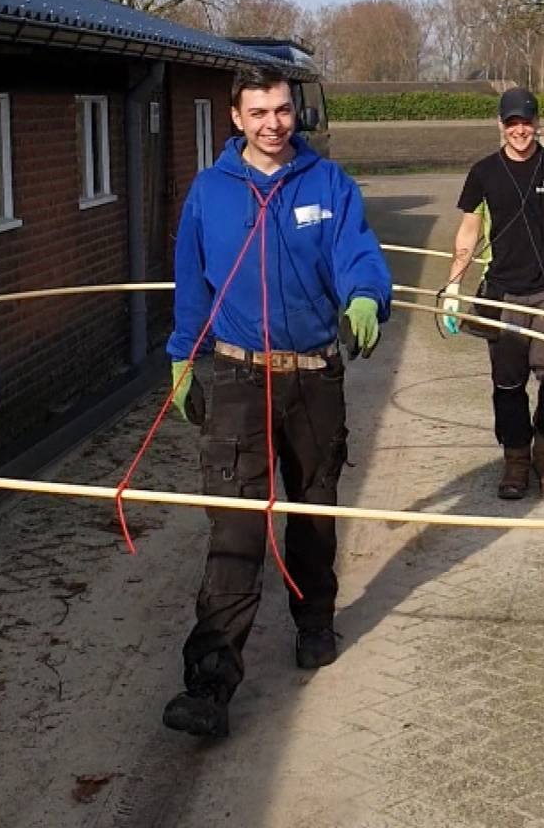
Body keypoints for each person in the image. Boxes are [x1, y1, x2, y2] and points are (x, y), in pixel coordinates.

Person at [163, 65, 391, 738]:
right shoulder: (209, 194)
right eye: (258, 112)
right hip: (238, 378)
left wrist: (364, 296)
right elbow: (190, 283)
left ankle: (314, 620)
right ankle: (211, 681)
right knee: (235, 527)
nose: (273, 123)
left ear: (297, 113)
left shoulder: (328, 184)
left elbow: (359, 254)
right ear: (235, 117)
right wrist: (182, 356)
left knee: (312, 513)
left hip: (314, 376)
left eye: (283, 110)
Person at [441, 87, 544, 502]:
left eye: (527, 122)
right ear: (501, 125)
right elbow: (468, 231)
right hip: (502, 295)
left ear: (537, 124)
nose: (520, 130)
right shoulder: (483, 173)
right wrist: (453, 287)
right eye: (512, 122)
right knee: (509, 385)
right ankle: (516, 460)